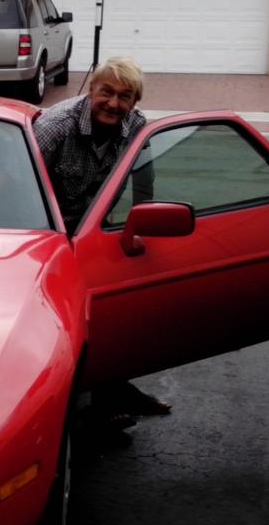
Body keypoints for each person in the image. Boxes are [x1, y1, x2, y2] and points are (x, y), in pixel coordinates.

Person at [34, 56, 172, 426]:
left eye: (124, 97)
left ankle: (108, 394)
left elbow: (144, 186)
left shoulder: (138, 130)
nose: (113, 103)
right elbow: (8, 182)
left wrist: (141, 228)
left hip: (93, 231)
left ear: (134, 103)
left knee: (112, 311)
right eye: (106, 92)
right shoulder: (55, 127)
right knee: (52, 321)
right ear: (90, 90)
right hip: (43, 236)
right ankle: (52, 404)